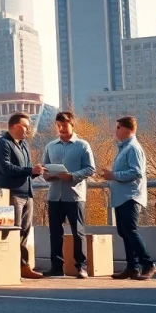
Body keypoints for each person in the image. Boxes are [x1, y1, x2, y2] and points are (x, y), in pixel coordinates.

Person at [99, 116, 156, 280]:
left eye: (118, 127)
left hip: (130, 196)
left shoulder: (133, 148)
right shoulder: (124, 148)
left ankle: (149, 264)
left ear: (127, 129)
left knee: (130, 231)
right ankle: (132, 267)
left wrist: (113, 175)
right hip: (122, 196)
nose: (116, 130)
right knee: (124, 231)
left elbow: (136, 172)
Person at [0, 112, 46, 279]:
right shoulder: (3, 144)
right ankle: (12, 266)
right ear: (15, 126)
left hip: (27, 193)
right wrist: (30, 170)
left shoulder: (24, 145)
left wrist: (35, 172)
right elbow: (6, 169)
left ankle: (22, 266)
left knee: (24, 232)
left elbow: (25, 169)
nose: (28, 131)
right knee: (12, 231)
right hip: (12, 193)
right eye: (25, 127)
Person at [41, 111, 95, 278]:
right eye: (59, 125)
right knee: (55, 233)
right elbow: (44, 168)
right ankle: (56, 266)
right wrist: (46, 175)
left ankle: (81, 267)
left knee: (78, 232)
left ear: (72, 125)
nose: (61, 128)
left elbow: (90, 169)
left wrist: (72, 176)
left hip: (75, 196)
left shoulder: (83, 145)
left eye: (64, 125)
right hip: (54, 195)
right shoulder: (50, 146)